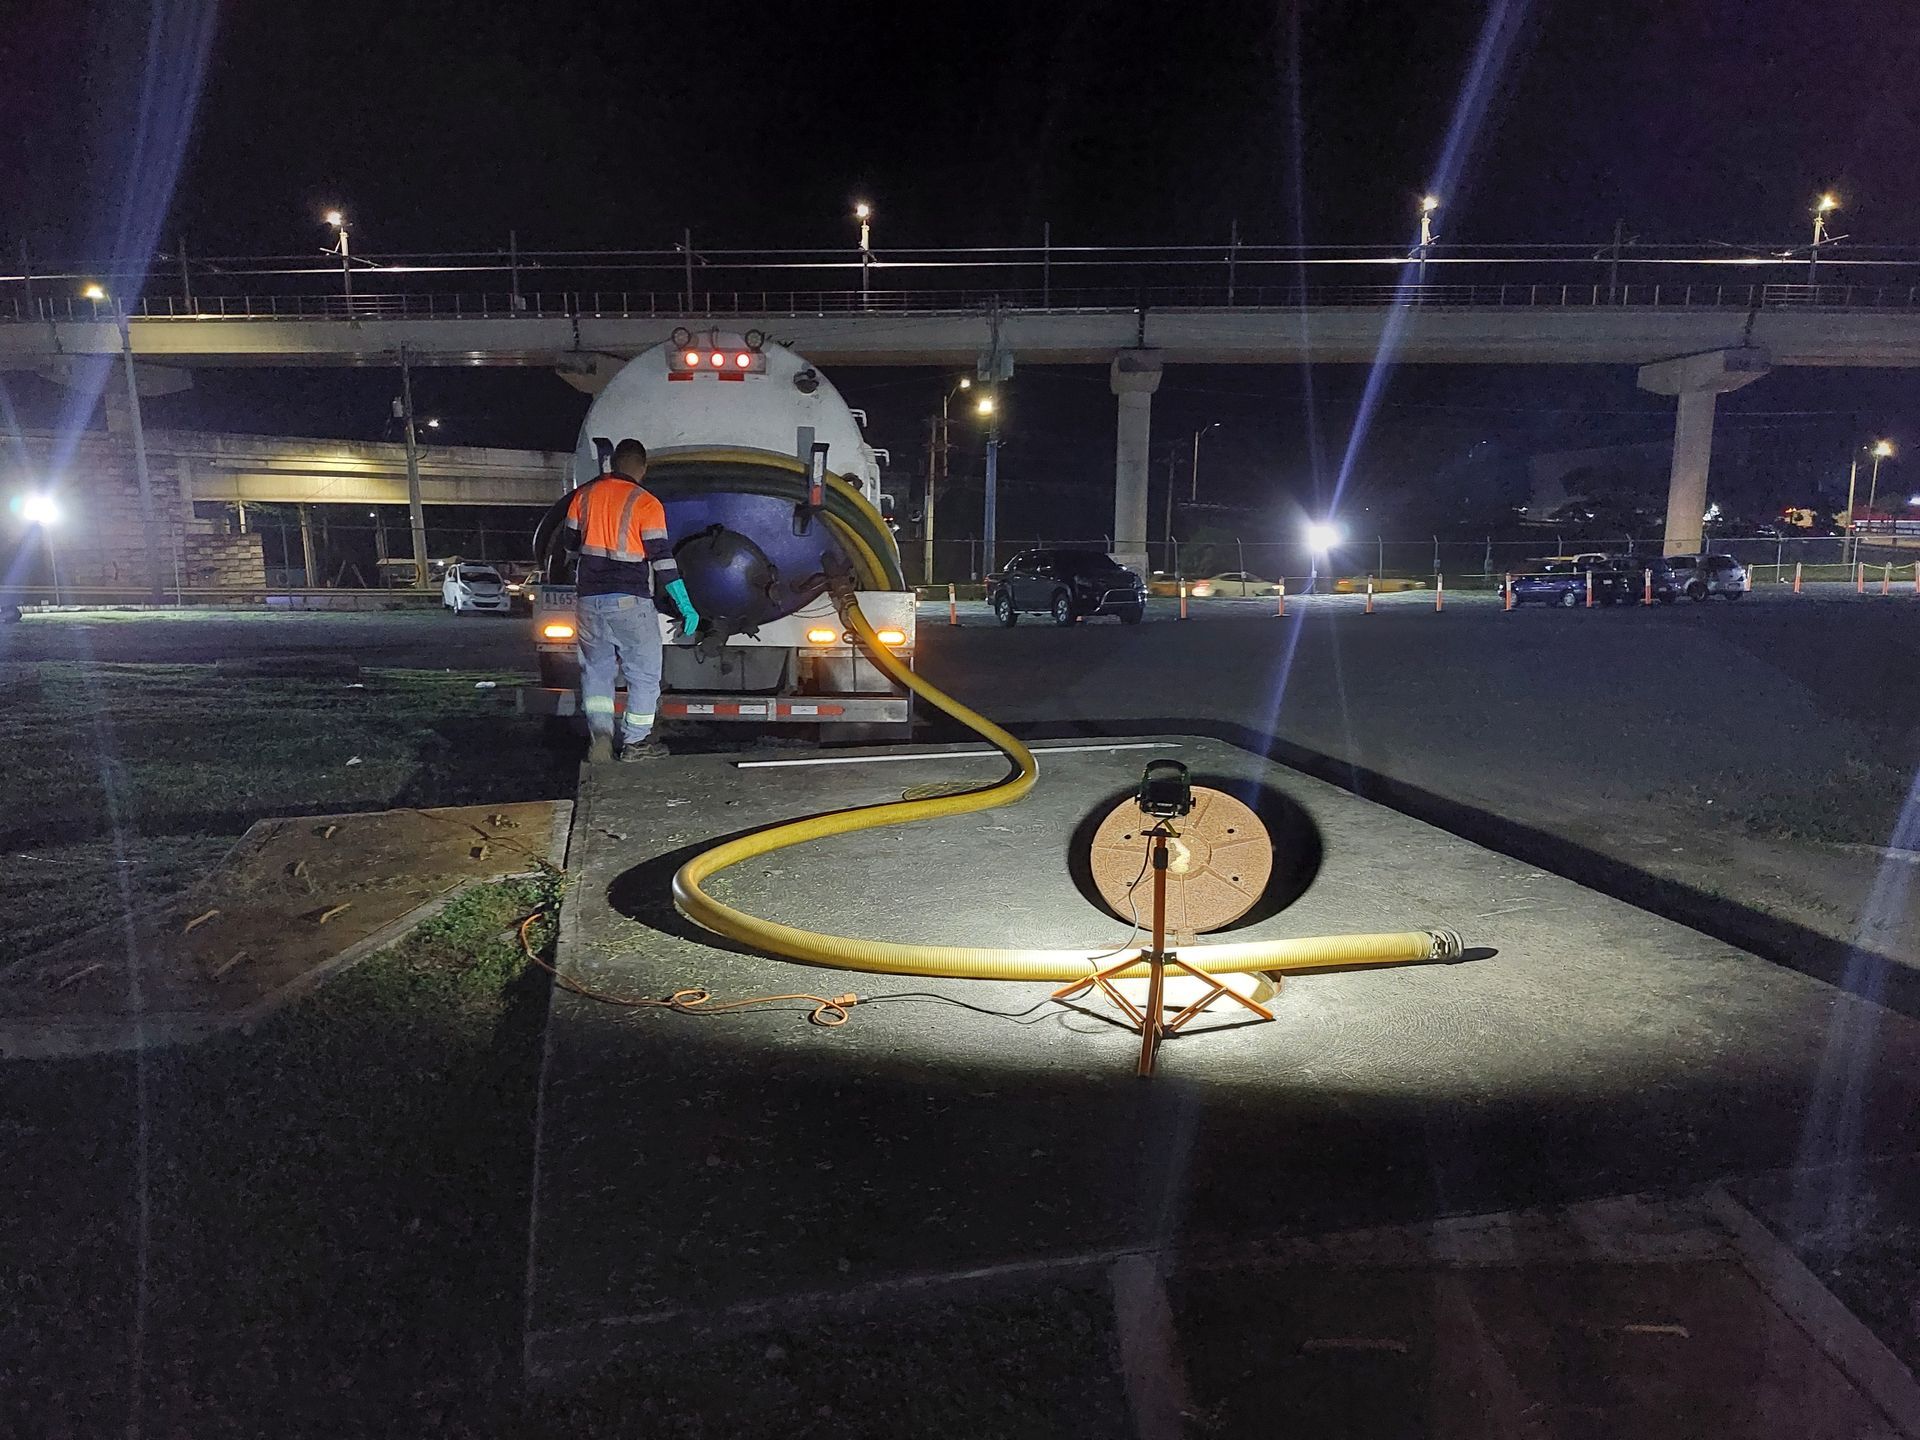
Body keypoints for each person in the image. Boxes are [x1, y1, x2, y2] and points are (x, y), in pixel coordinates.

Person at [561, 439, 701, 763]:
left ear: (613, 464)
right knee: (644, 674)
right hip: (629, 601)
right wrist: (686, 605)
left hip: (588, 601)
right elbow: (662, 559)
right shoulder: (646, 502)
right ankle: (635, 744)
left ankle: (600, 736)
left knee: (596, 671)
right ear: (642, 468)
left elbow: (569, 544)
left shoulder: (583, 496)